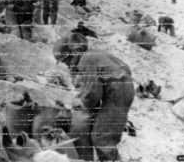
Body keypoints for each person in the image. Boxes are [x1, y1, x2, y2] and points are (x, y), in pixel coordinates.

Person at [53, 33, 135, 161]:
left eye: (66, 61)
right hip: (121, 89)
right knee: (101, 133)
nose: (67, 65)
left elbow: (92, 93)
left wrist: (80, 105)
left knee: (102, 137)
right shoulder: (91, 55)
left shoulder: (86, 60)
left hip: (118, 92)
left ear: (73, 54)